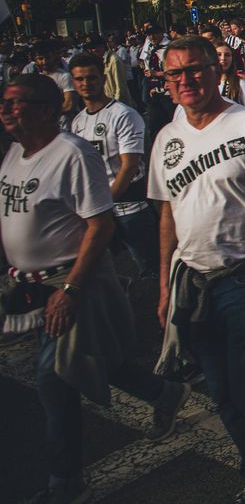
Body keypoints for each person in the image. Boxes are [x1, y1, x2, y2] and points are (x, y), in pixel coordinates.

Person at [0, 74, 190, 504]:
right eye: (5, 103)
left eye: (17, 103)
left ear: (46, 109)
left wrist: (70, 288)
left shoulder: (71, 154)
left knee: (55, 380)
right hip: (29, 284)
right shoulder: (13, 153)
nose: (7, 110)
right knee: (95, 360)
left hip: (69, 282)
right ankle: (165, 392)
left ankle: (66, 483)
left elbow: (100, 224)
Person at [149, 36, 245, 504]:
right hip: (194, 281)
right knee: (222, 394)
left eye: (195, 69)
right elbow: (169, 214)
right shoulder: (168, 138)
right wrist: (164, 288)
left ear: (216, 71)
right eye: (176, 74)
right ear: (166, 83)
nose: (186, 80)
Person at [68, 52, 160, 281]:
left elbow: (129, 166)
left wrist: (105, 203)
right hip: (97, 211)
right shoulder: (78, 121)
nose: (86, 84)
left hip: (130, 209)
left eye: (91, 78)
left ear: (102, 78)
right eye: (79, 79)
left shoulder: (124, 115)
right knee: (100, 271)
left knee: (151, 272)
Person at [217, 42, 245, 112]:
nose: (223, 58)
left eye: (227, 55)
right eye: (218, 54)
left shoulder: (241, 84)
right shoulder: (206, 85)